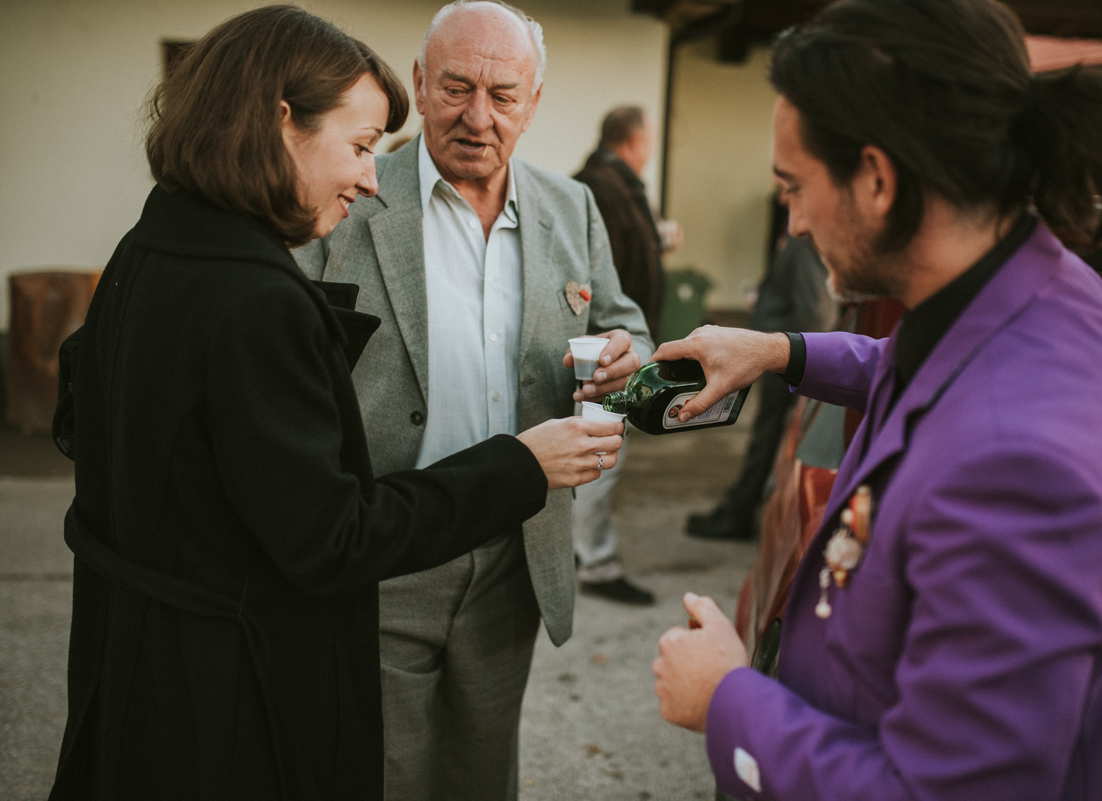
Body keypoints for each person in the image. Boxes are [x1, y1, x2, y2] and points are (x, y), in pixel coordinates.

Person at [46, 7, 622, 801]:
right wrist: (520, 463)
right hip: (304, 611)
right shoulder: (265, 282)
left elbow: (92, 408)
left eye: (504, 92)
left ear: (535, 99)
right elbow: (328, 535)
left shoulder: (154, 243)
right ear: (284, 124)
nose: (366, 173)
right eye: (359, 146)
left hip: (487, 569)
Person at [650, 0, 1102, 798]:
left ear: (877, 179)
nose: (790, 223)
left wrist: (728, 700)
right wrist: (774, 350)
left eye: (793, 186)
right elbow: (914, 368)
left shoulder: (1022, 467)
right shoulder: (1033, 287)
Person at [292, 2, 653, 798]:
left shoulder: (571, 207)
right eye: (456, 87)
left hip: (514, 552)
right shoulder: (349, 189)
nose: (478, 116)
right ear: (419, 84)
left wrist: (632, 361)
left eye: (504, 94)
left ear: (534, 101)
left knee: (481, 774)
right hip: (385, 547)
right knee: (379, 772)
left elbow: (626, 325)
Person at [569, 105, 675, 604]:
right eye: (649, 140)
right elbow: (596, 278)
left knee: (595, 453)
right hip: (604, 351)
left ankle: (578, 549)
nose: (650, 150)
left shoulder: (611, 186)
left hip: (617, 344)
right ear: (635, 141)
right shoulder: (602, 191)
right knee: (599, 456)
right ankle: (595, 562)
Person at [686, 234, 838, 541]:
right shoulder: (801, 238)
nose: (783, 196)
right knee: (766, 435)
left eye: (790, 187)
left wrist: (808, 373)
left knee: (767, 437)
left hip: (788, 361)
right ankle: (738, 507)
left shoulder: (805, 241)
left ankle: (738, 513)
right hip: (786, 355)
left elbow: (816, 311)